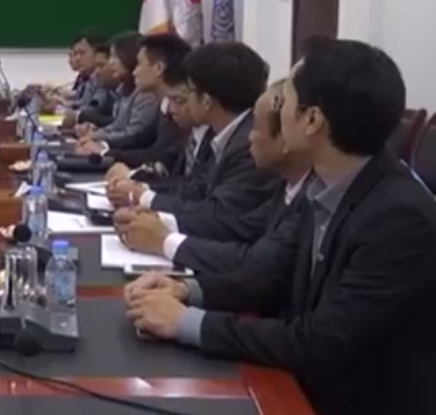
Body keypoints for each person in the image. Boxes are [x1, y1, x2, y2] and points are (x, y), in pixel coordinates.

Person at [125, 37, 436, 415]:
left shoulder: (398, 218)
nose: (273, 113)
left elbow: (320, 342)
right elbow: (272, 278)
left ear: (312, 120)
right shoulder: (331, 182)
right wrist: (186, 290)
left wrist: (186, 323)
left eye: (284, 101)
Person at [113, 79, 312, 274]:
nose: (250, 136)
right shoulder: (287, 187)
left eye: (257, 127)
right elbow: (238, 227)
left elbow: (256, 262)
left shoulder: (308, 198)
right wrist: (160, 221)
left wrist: (165, 241)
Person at [108, 41, 278, 222]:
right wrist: (142, 191)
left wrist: (144, 198)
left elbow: (219, 214)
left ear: (206, 101)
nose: (185, 100)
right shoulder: (222, 135)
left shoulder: (247, 145)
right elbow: (196, 189)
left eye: (189, 90)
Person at [77, 33, 191, 160]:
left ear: (158, 68)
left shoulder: (179, 110)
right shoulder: (164, 104)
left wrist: (104, 152)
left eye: (139, 64)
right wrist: (101, 145)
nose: (134, 72)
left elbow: (158, 154)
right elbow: (139, 138)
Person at [77, 32, 157, 147]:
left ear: (129, 57)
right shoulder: (122, 90)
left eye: (115, 57)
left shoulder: (146, 95)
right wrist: (94, 134)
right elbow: (117, 126)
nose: (111, 63)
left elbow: (132, 135)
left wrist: (95, 137)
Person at [74, 42, 117, 128]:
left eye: (101, 66)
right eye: (75, 54)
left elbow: (121, 126)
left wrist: (77, 116)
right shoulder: (110, 89)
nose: (77, 58)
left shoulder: (133, 94)